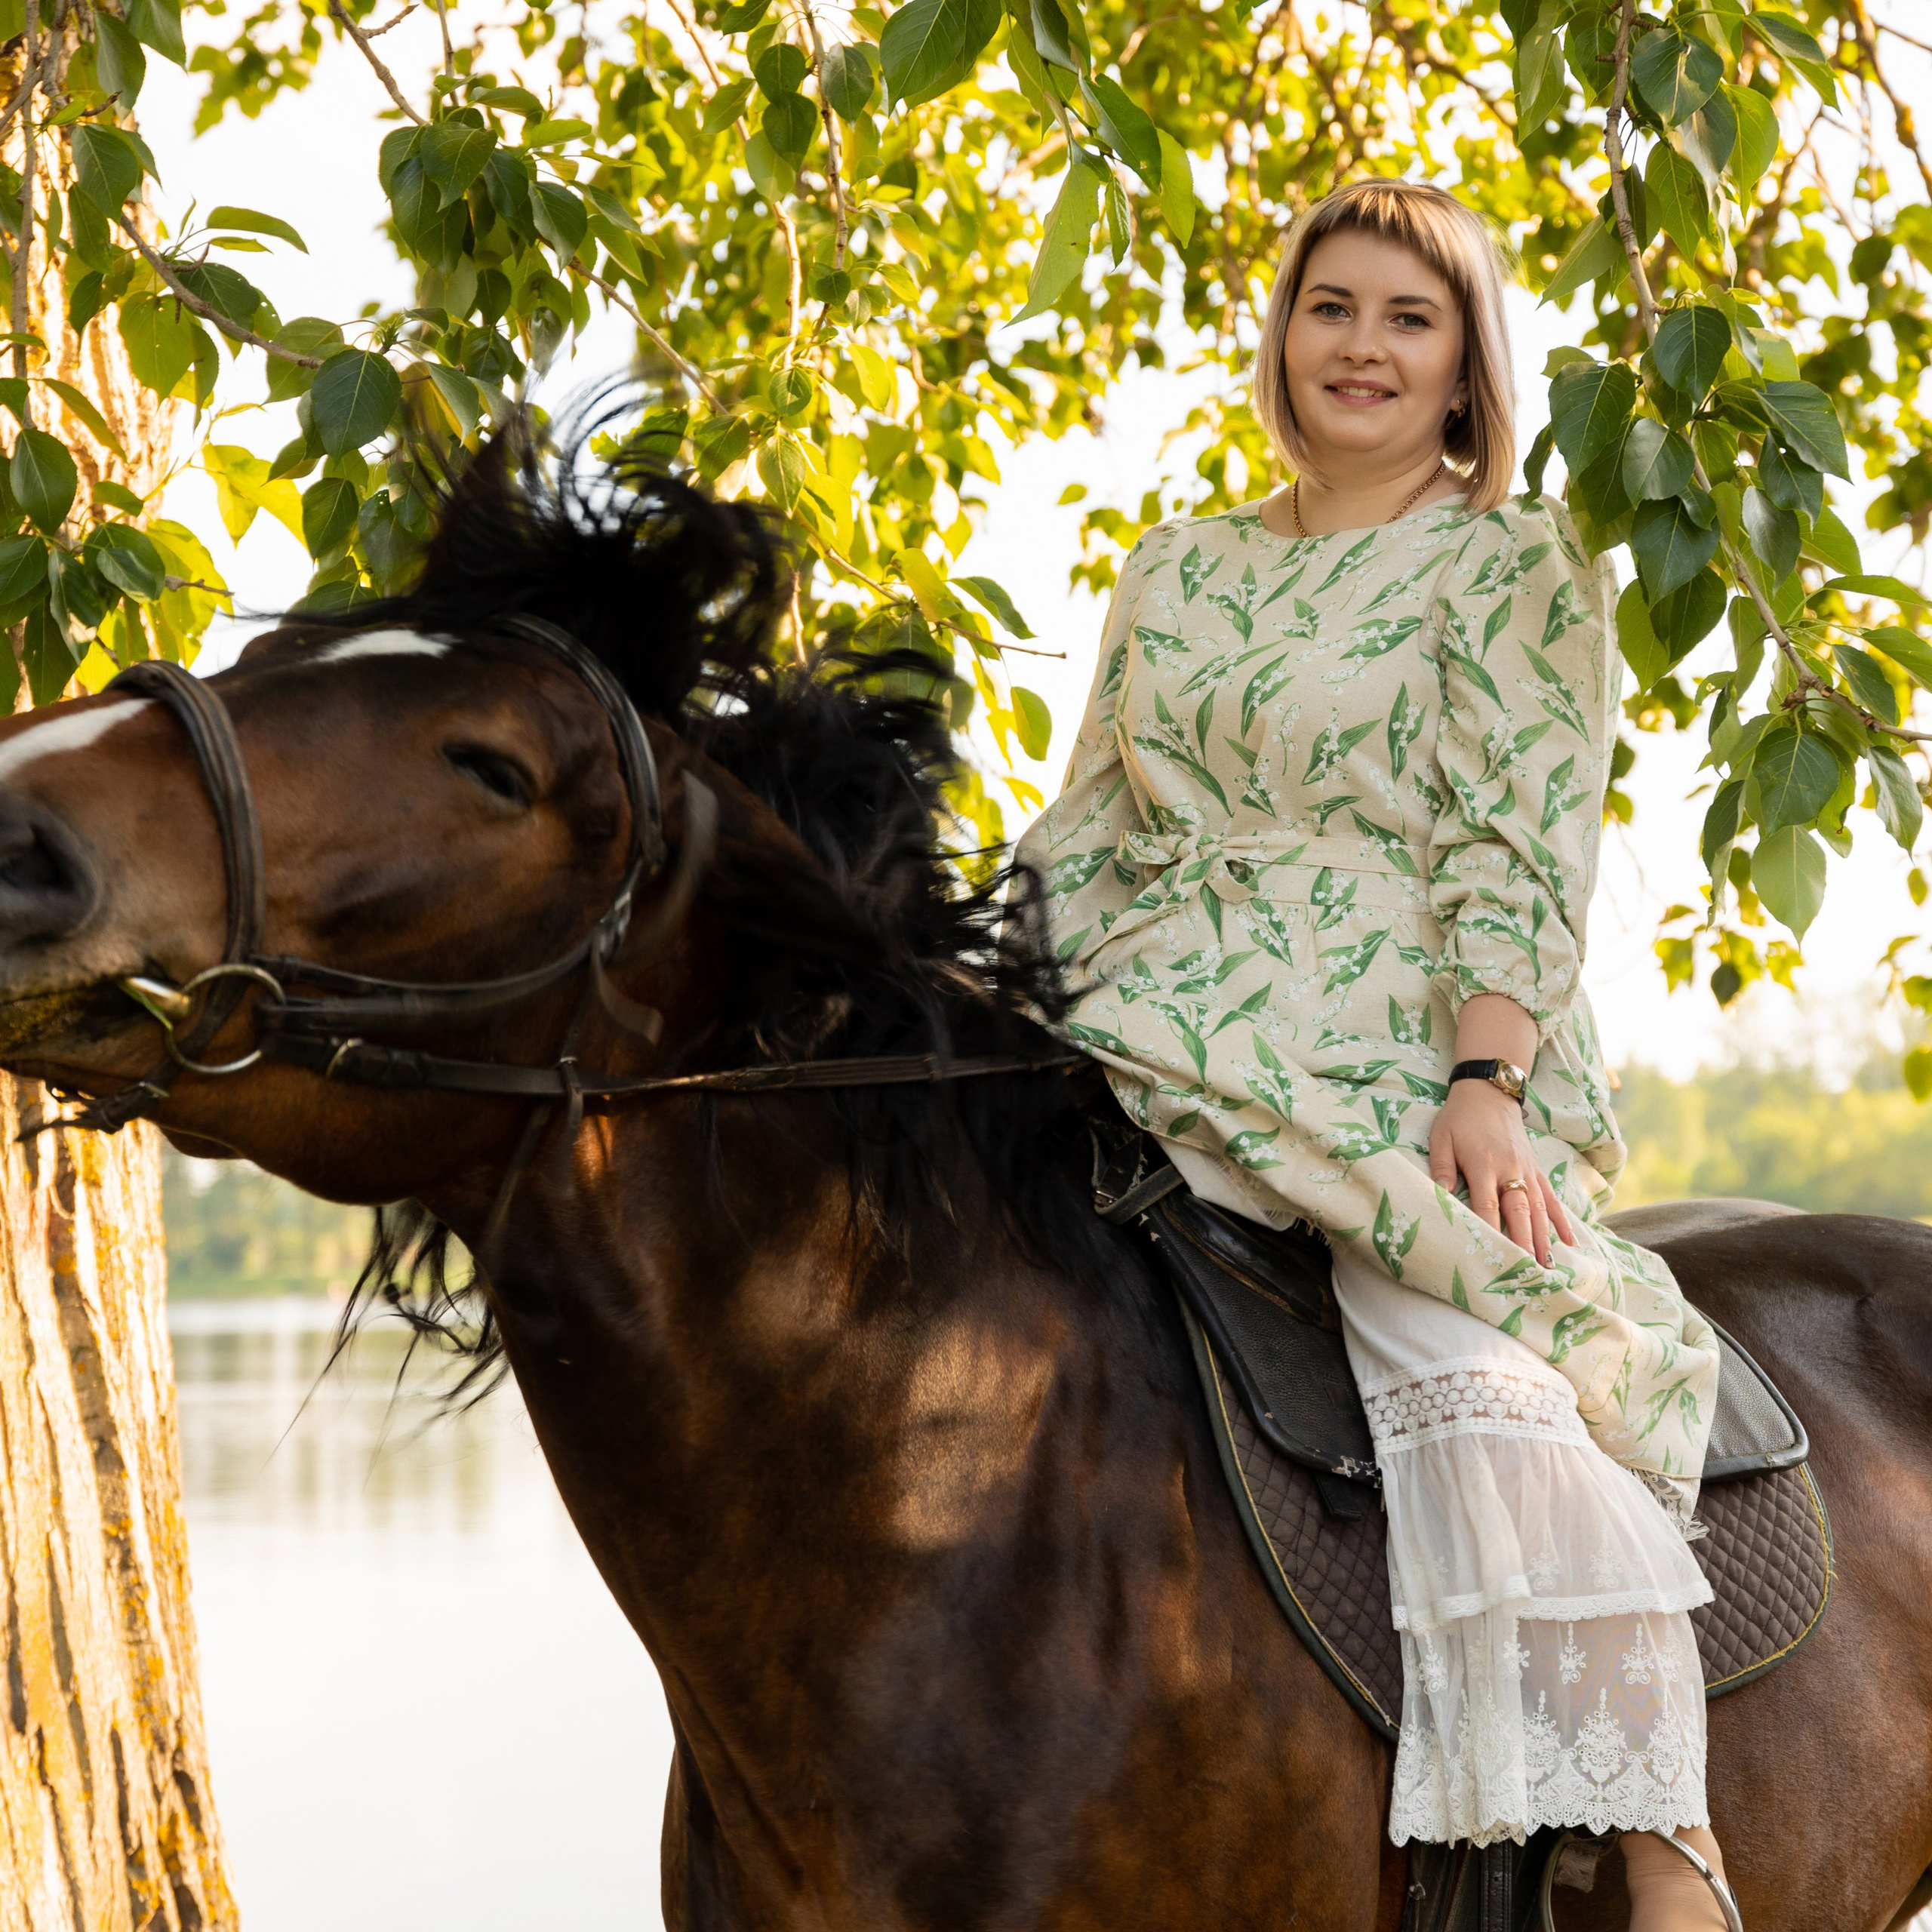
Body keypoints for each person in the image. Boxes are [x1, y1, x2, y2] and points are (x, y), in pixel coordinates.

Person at [1016, 179, 1737, 1928]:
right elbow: (1087, 822)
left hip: (1390, 1019)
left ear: (1464, 372)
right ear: (1280, 336)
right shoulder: (1175, 566)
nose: (1359, 345)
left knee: (1455, 1340)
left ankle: (1662, 1841)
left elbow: (1517, 834)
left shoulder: (1504, 563)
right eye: (1328, 307)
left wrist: (1481, 1080)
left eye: (1406, 320)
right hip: (1146, 995)